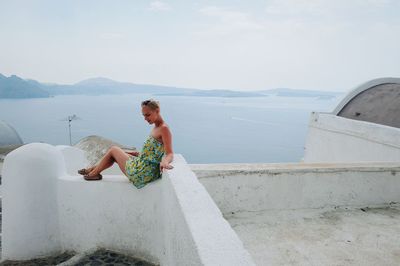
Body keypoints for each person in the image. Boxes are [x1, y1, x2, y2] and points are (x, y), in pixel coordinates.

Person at [78, 99, 174, 189]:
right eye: (143, 115)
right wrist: (138, 154)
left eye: (147, 115)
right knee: (115, 153)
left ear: (157, 111)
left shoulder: (164, 129)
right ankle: (92, 170)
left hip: (144, 172)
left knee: (114, 150)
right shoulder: (156, 127)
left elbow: (169, 153)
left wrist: (165, 162)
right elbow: (153, 151)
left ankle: (93, 174)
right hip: (143, 165)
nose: (145, 118)